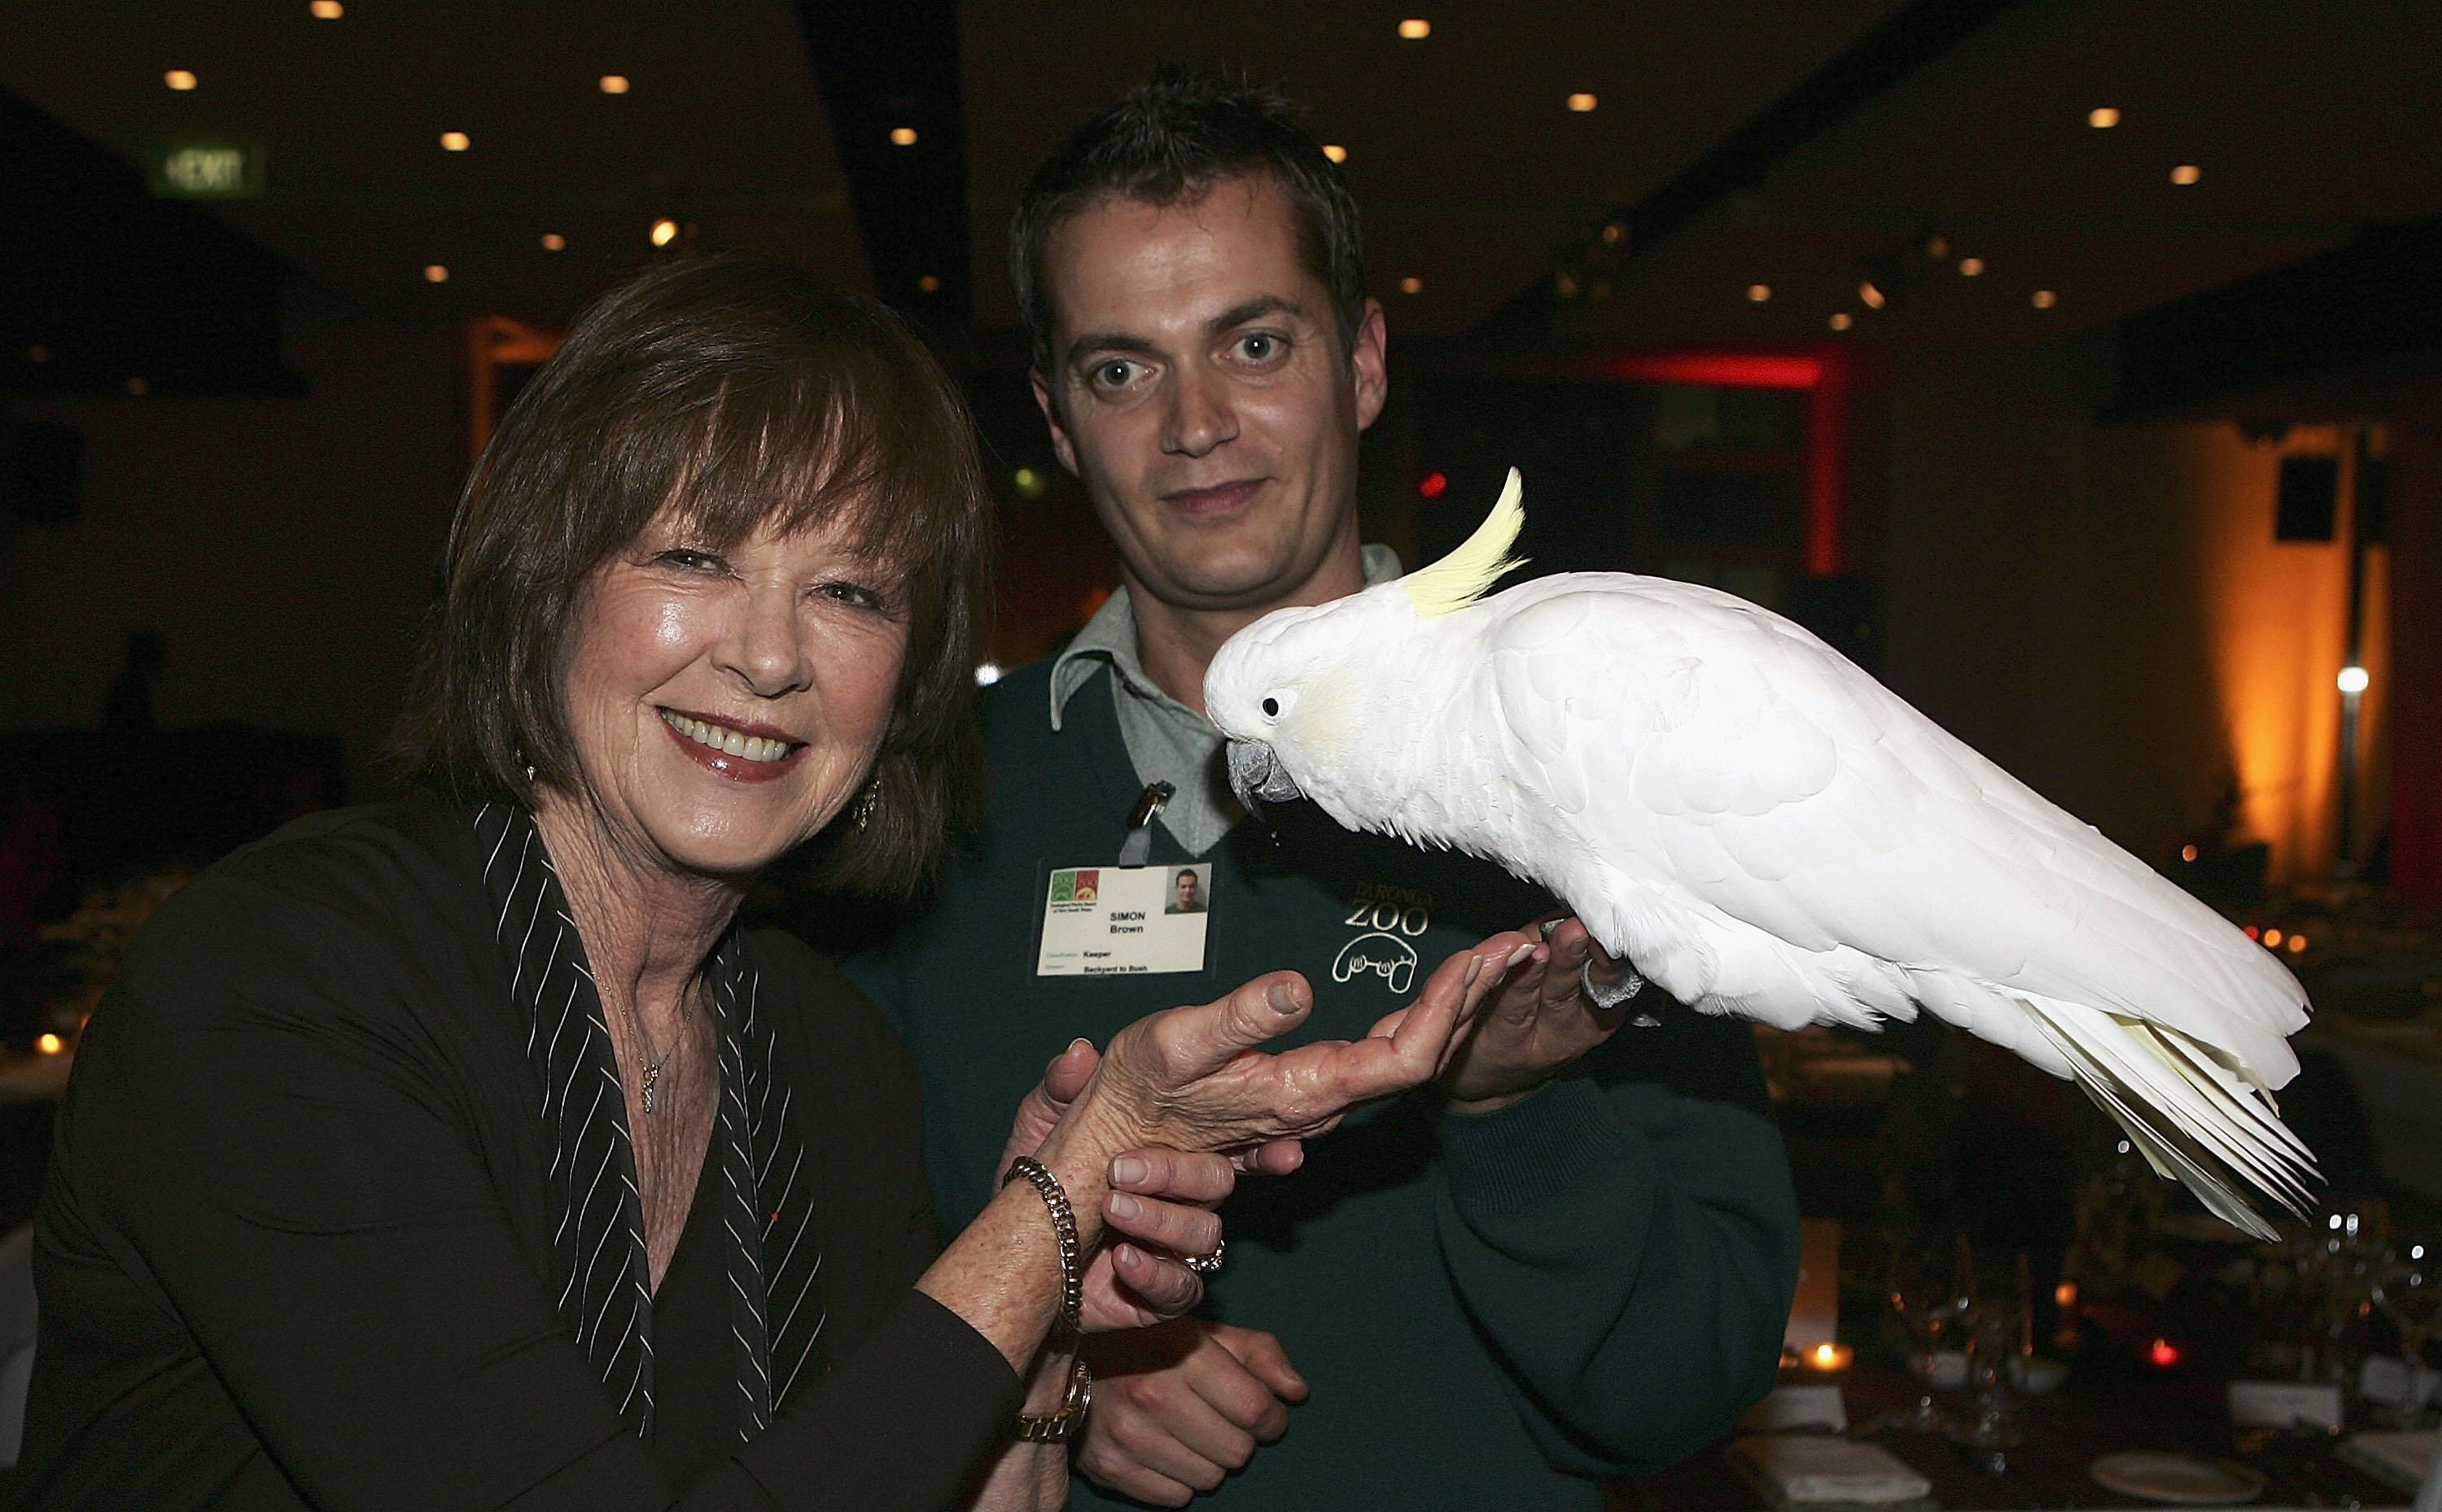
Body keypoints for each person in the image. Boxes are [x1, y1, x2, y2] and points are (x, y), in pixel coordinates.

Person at [15, 258, 1534, 1510]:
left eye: (851, 588)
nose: (766, 652)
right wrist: (1053, 1207)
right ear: (541, 577)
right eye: (690, 551)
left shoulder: (824, 1056)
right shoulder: (285, 982)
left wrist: (1052, 1341)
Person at [850, 74, 1802, 1510]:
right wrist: (1051, 1363)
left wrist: (1511, 1104)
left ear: (1361, 362)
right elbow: (814, 1297)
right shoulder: (935, 814)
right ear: (1055, 418)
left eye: (1252, 341)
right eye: (1121, 368)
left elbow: (1690, 1383)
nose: (1193, 423)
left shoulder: (1581, 784)